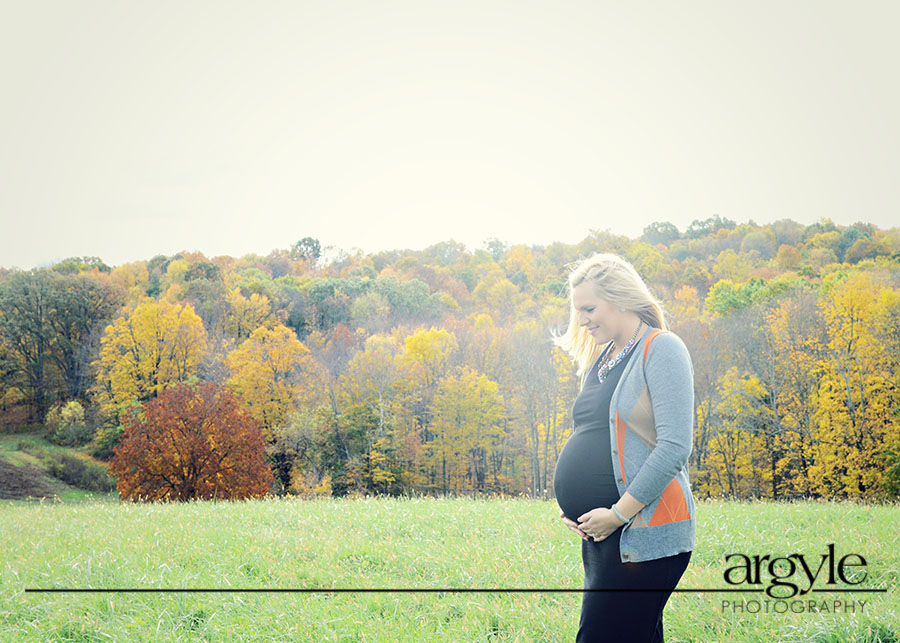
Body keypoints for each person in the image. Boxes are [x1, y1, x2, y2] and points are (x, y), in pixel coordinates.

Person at [552, 252, 695, 642]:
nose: (581, 320)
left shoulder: (662, 348)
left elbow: (675, 447)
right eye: (578, 311)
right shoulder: (602, 359)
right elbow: (592, 436)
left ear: (620, 298)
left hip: (644, 537)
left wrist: (617, 513)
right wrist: (574, 508)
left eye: (589, 308)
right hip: (603, 537)